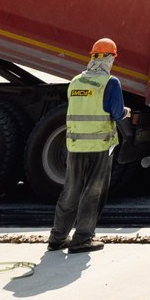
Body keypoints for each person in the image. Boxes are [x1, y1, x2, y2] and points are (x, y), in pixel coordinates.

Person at [47, 37, 125, 256]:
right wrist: (126, 112)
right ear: (111, 58)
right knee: (93, 191)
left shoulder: (75, 82)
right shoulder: (110, 83)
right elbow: (116, 113)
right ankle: (82, 239)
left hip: (75, 145)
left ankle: (57, 238)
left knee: (70, 190)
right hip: (99, 146)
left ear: (92, 57)